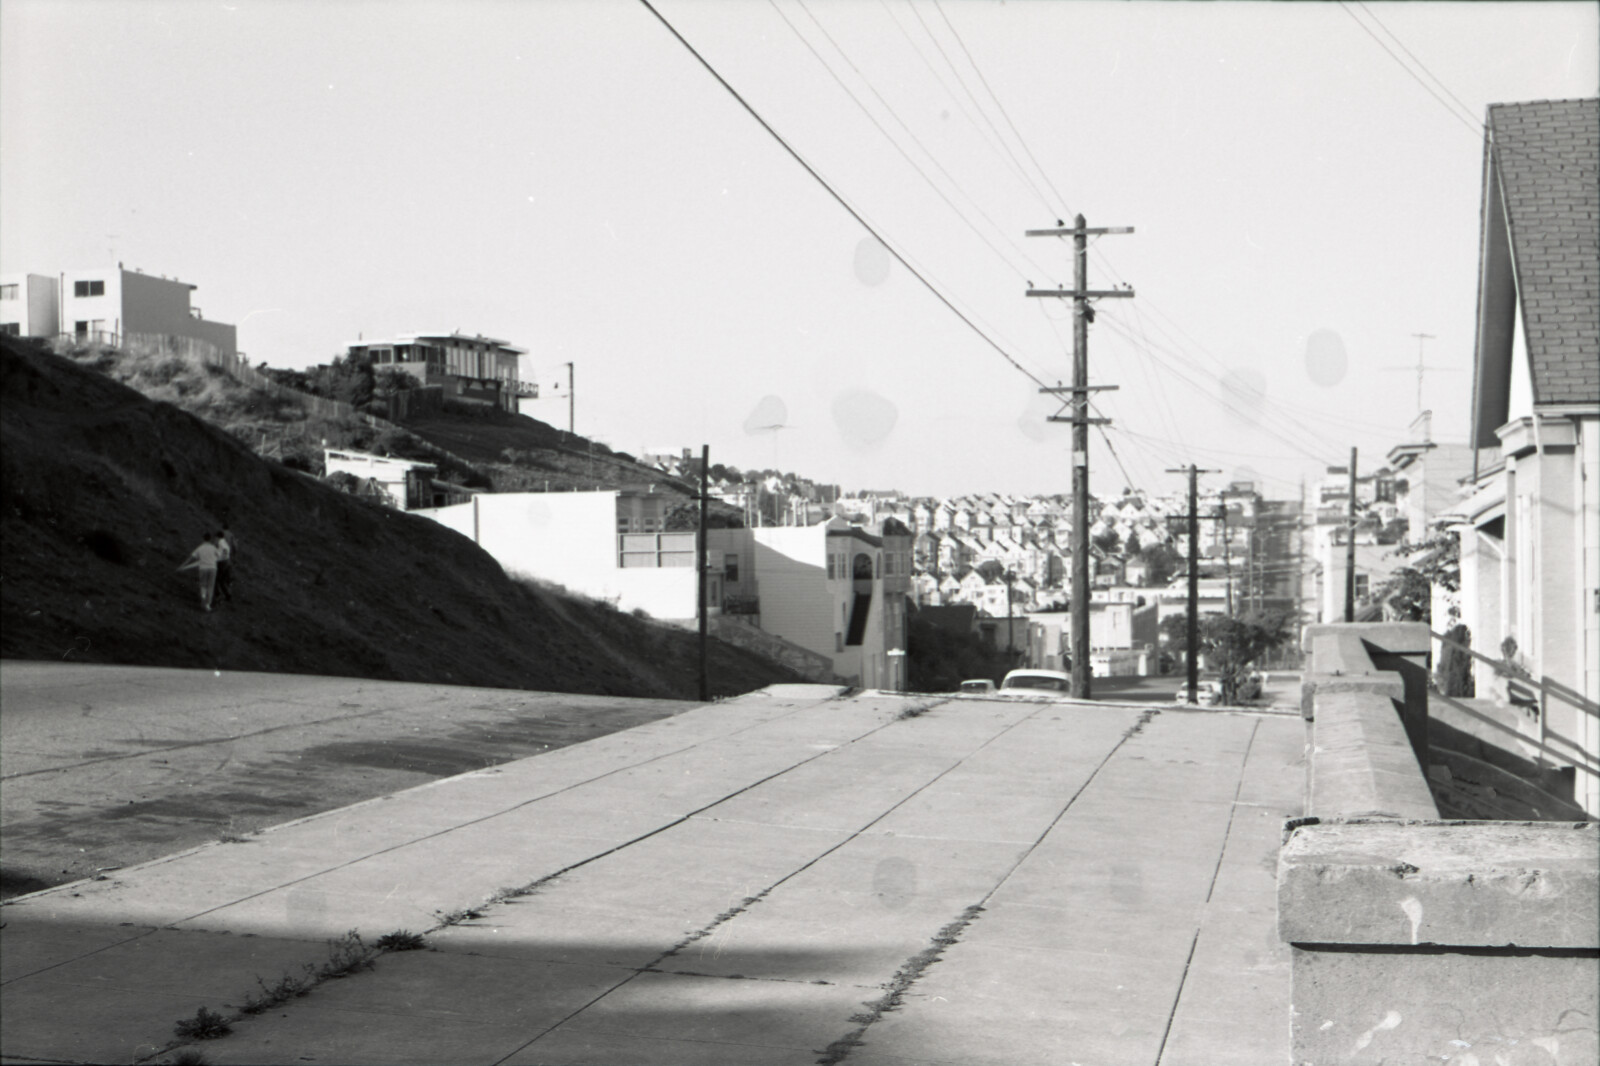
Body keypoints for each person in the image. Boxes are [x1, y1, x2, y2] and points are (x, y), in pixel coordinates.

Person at [177, 532, 222, 612]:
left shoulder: (200, 548)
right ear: (210, 539)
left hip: (203, 568)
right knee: (210, 586)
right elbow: (219, 556)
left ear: (203, 539)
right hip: (212, 568)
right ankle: (208, 605)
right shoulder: (213, 548)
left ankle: (203, 599)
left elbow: (190, 558)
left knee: (203, 585)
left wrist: (182, 566)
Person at [215, 527, 235, 604]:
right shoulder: (225, 543)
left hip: (222, 563)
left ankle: (218, 595)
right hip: (228, 563)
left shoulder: (219, 543)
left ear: (218, 537)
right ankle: (228, 595)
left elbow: (218, 554)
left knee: (216, 579)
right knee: (222, 581)